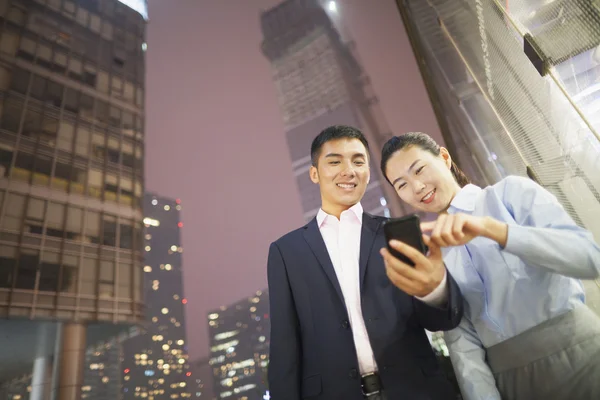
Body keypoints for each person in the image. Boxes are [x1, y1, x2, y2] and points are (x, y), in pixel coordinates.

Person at [379, 131, 600, 400]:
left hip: (584, 354)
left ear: (444, 157)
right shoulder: (435, 253)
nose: (416, 187)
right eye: (401, 184)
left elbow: (589, 259)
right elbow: (463, 345)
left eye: (420, 170)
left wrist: (495, 230)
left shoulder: (510, 194)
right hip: (512, 382)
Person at [267, 125, 464, 400]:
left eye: (358, 161)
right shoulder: (286, 252)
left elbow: (441, 319)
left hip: (416, 391)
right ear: (314, 173)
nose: (348, 170)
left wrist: (435, 288)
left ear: (368, 172)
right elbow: (283, 349)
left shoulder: (398, 233)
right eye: (335, 161)